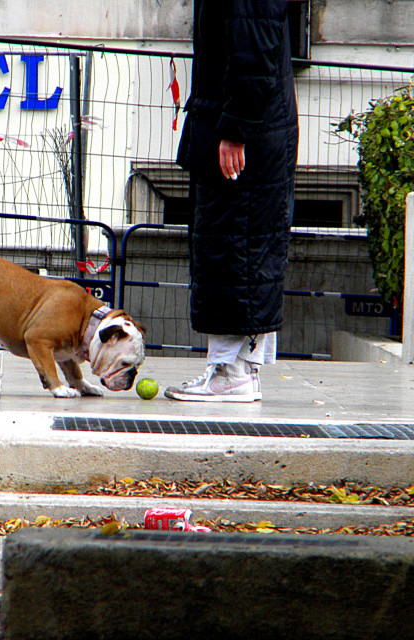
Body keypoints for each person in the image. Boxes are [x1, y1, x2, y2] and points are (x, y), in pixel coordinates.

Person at [165, 0, 299, 402]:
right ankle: (239, 371)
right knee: (243, 246)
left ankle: (231, 373)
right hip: (252, 127)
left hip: (245, 133)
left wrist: (236, 128)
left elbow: (252, 52)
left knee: (235, 246)